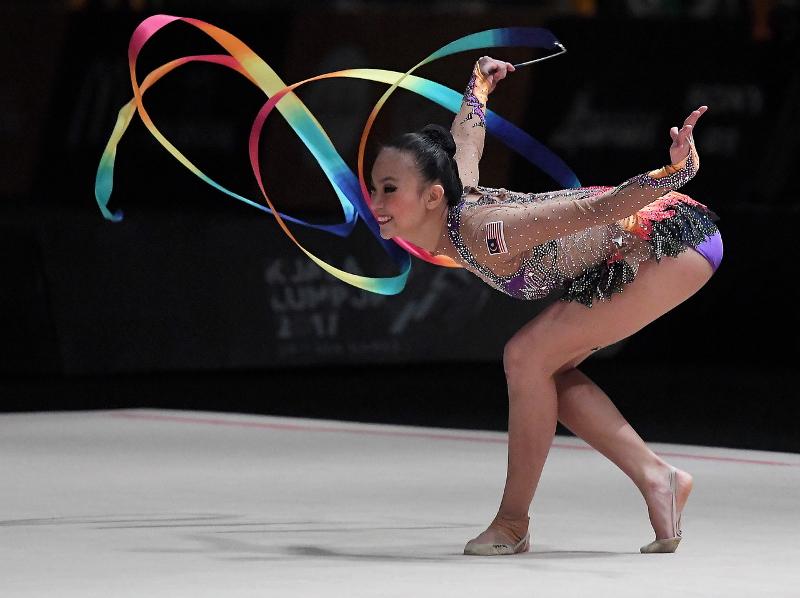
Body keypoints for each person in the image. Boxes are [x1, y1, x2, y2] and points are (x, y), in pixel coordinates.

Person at [368, 56, 722, 555]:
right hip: (635, 247)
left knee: (526, 356)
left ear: (431, 197)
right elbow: (464, 140)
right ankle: (659, 480)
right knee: (546, 370)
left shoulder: (484, 232)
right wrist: (479, 85)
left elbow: (597, 207)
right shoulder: (454, 195)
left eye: (389, 189)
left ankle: (512, 523)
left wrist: (674, 171)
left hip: (669, 238)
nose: (376, 201)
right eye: (374, 187)